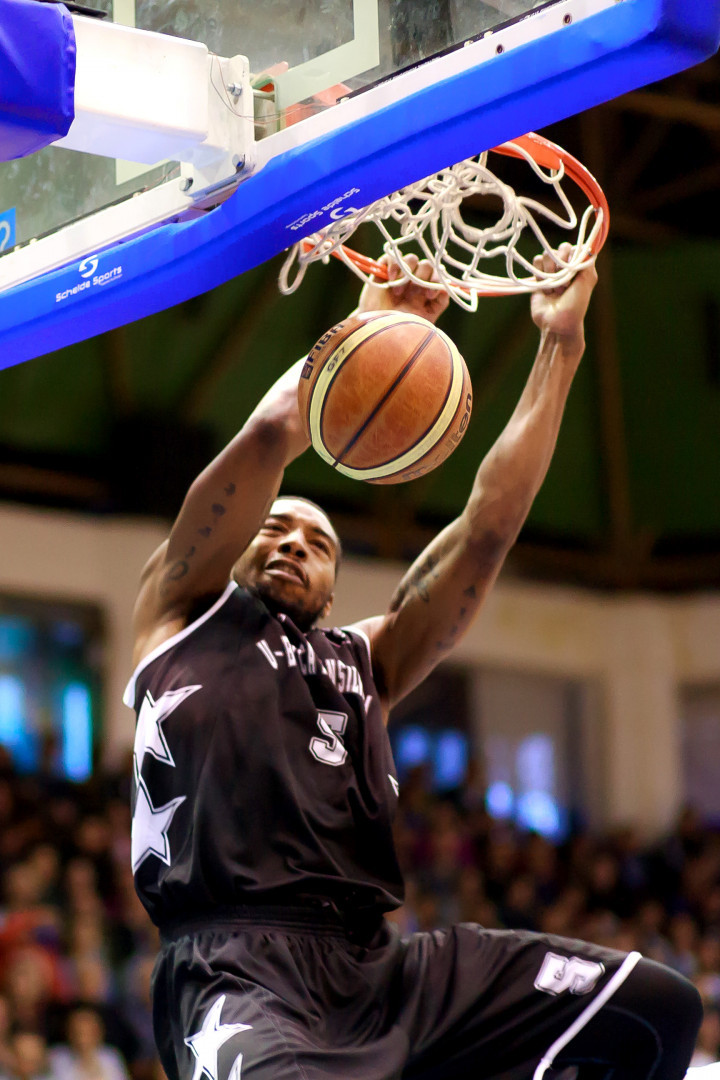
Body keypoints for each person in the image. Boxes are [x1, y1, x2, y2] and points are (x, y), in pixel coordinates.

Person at [124, 250, 702, 1080]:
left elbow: (489, 528)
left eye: (318, 543)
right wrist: (366, 331)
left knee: (659, 1008)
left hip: (384, 972)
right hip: (237, 975)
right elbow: (268, 436)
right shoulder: (180, 613)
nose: (292, 544)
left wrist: (561, 344)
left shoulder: (367, 660)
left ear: (333, 588)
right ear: (235, 543)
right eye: (274, 529)